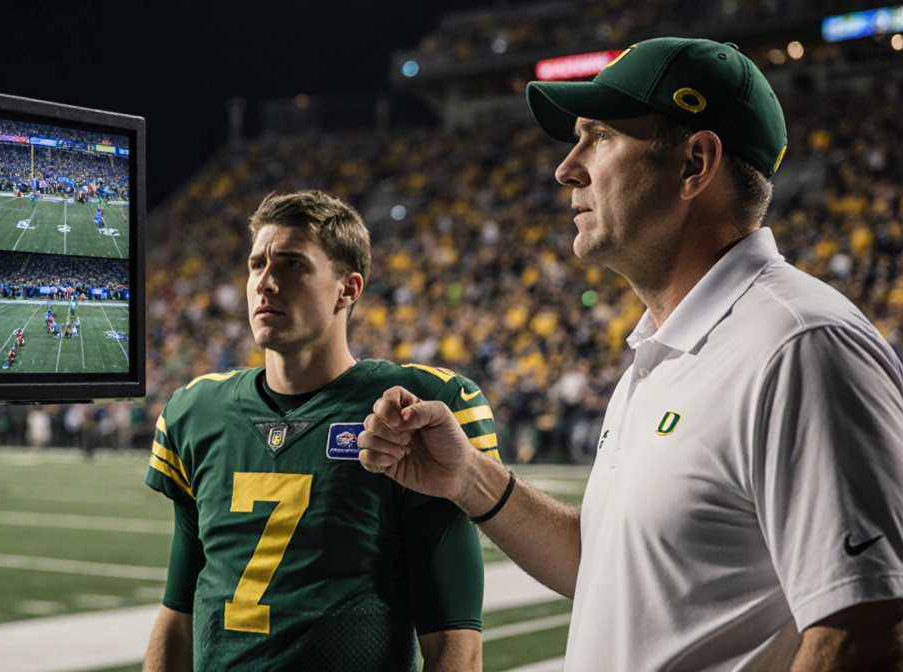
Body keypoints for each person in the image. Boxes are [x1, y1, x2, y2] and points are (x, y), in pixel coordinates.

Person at [357, 37, 903, 670]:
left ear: (696, 163)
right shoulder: (667, 345)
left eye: (601, 137)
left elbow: (869, 628)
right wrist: (469, 479)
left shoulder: (799, 345)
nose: (567, 167)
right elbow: (610, 566)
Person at [144, 190, 497, 671]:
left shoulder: (412, 410)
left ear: (347, 289)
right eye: (256, 265)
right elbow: (178, 616)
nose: (265, 283)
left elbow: (455, 642)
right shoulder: (196, 411)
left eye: (291, 264)